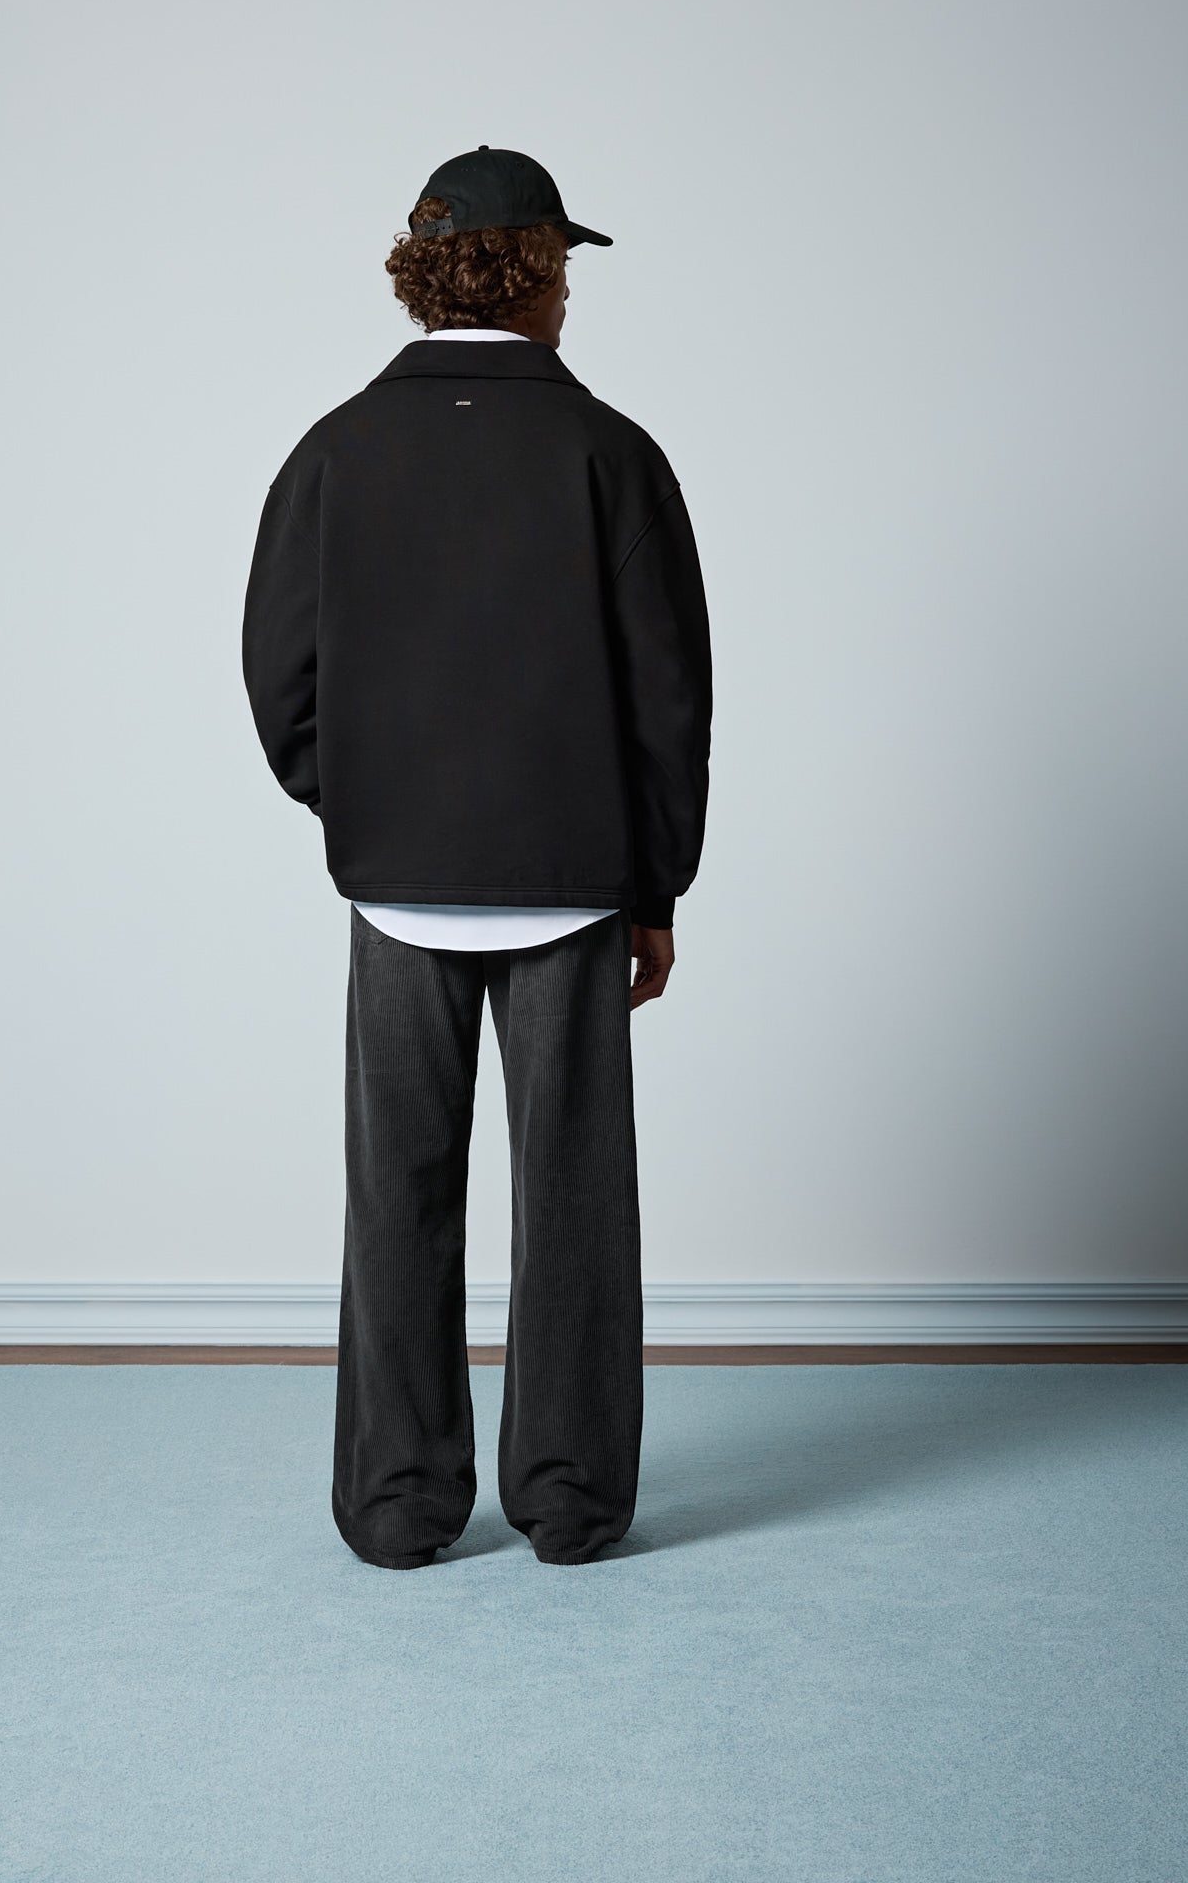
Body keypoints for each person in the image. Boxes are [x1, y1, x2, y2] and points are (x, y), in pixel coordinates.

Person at [241, 144, 712, 1569]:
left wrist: (368, 806)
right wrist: (655, 886)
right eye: (562, 267)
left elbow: (279, 678)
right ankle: (568, 1500)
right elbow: (668, 699)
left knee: (395, 1194)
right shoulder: (610, 455)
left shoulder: (335, 451)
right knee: (572, 1197)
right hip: (573, 881)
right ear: (534, 274)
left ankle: (398, 1503)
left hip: (396, 885)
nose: (568, 294)